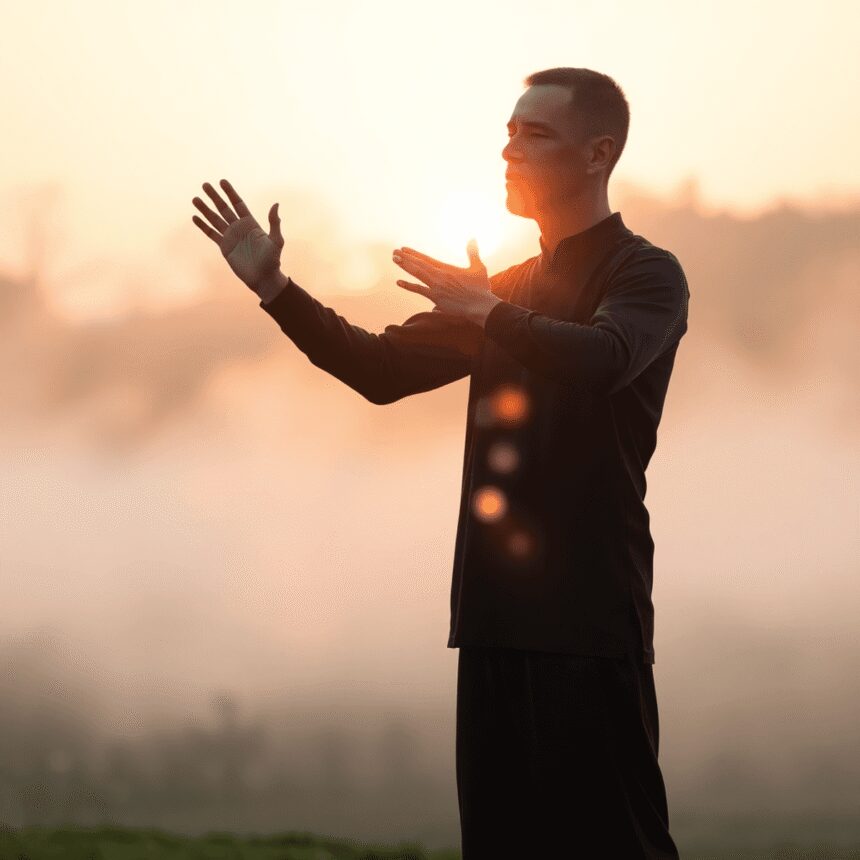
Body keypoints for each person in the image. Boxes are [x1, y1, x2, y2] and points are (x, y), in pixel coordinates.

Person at [192, 66, 687, 859]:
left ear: (598, 154)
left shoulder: (645, 274)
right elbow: (379, 373)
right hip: (491, 620)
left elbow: (604, 359)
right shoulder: (501, 291)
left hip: (591, 626)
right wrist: (276, 287)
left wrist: (493, 313)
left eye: (536, 135)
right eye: (509, 131)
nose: (508, 149)